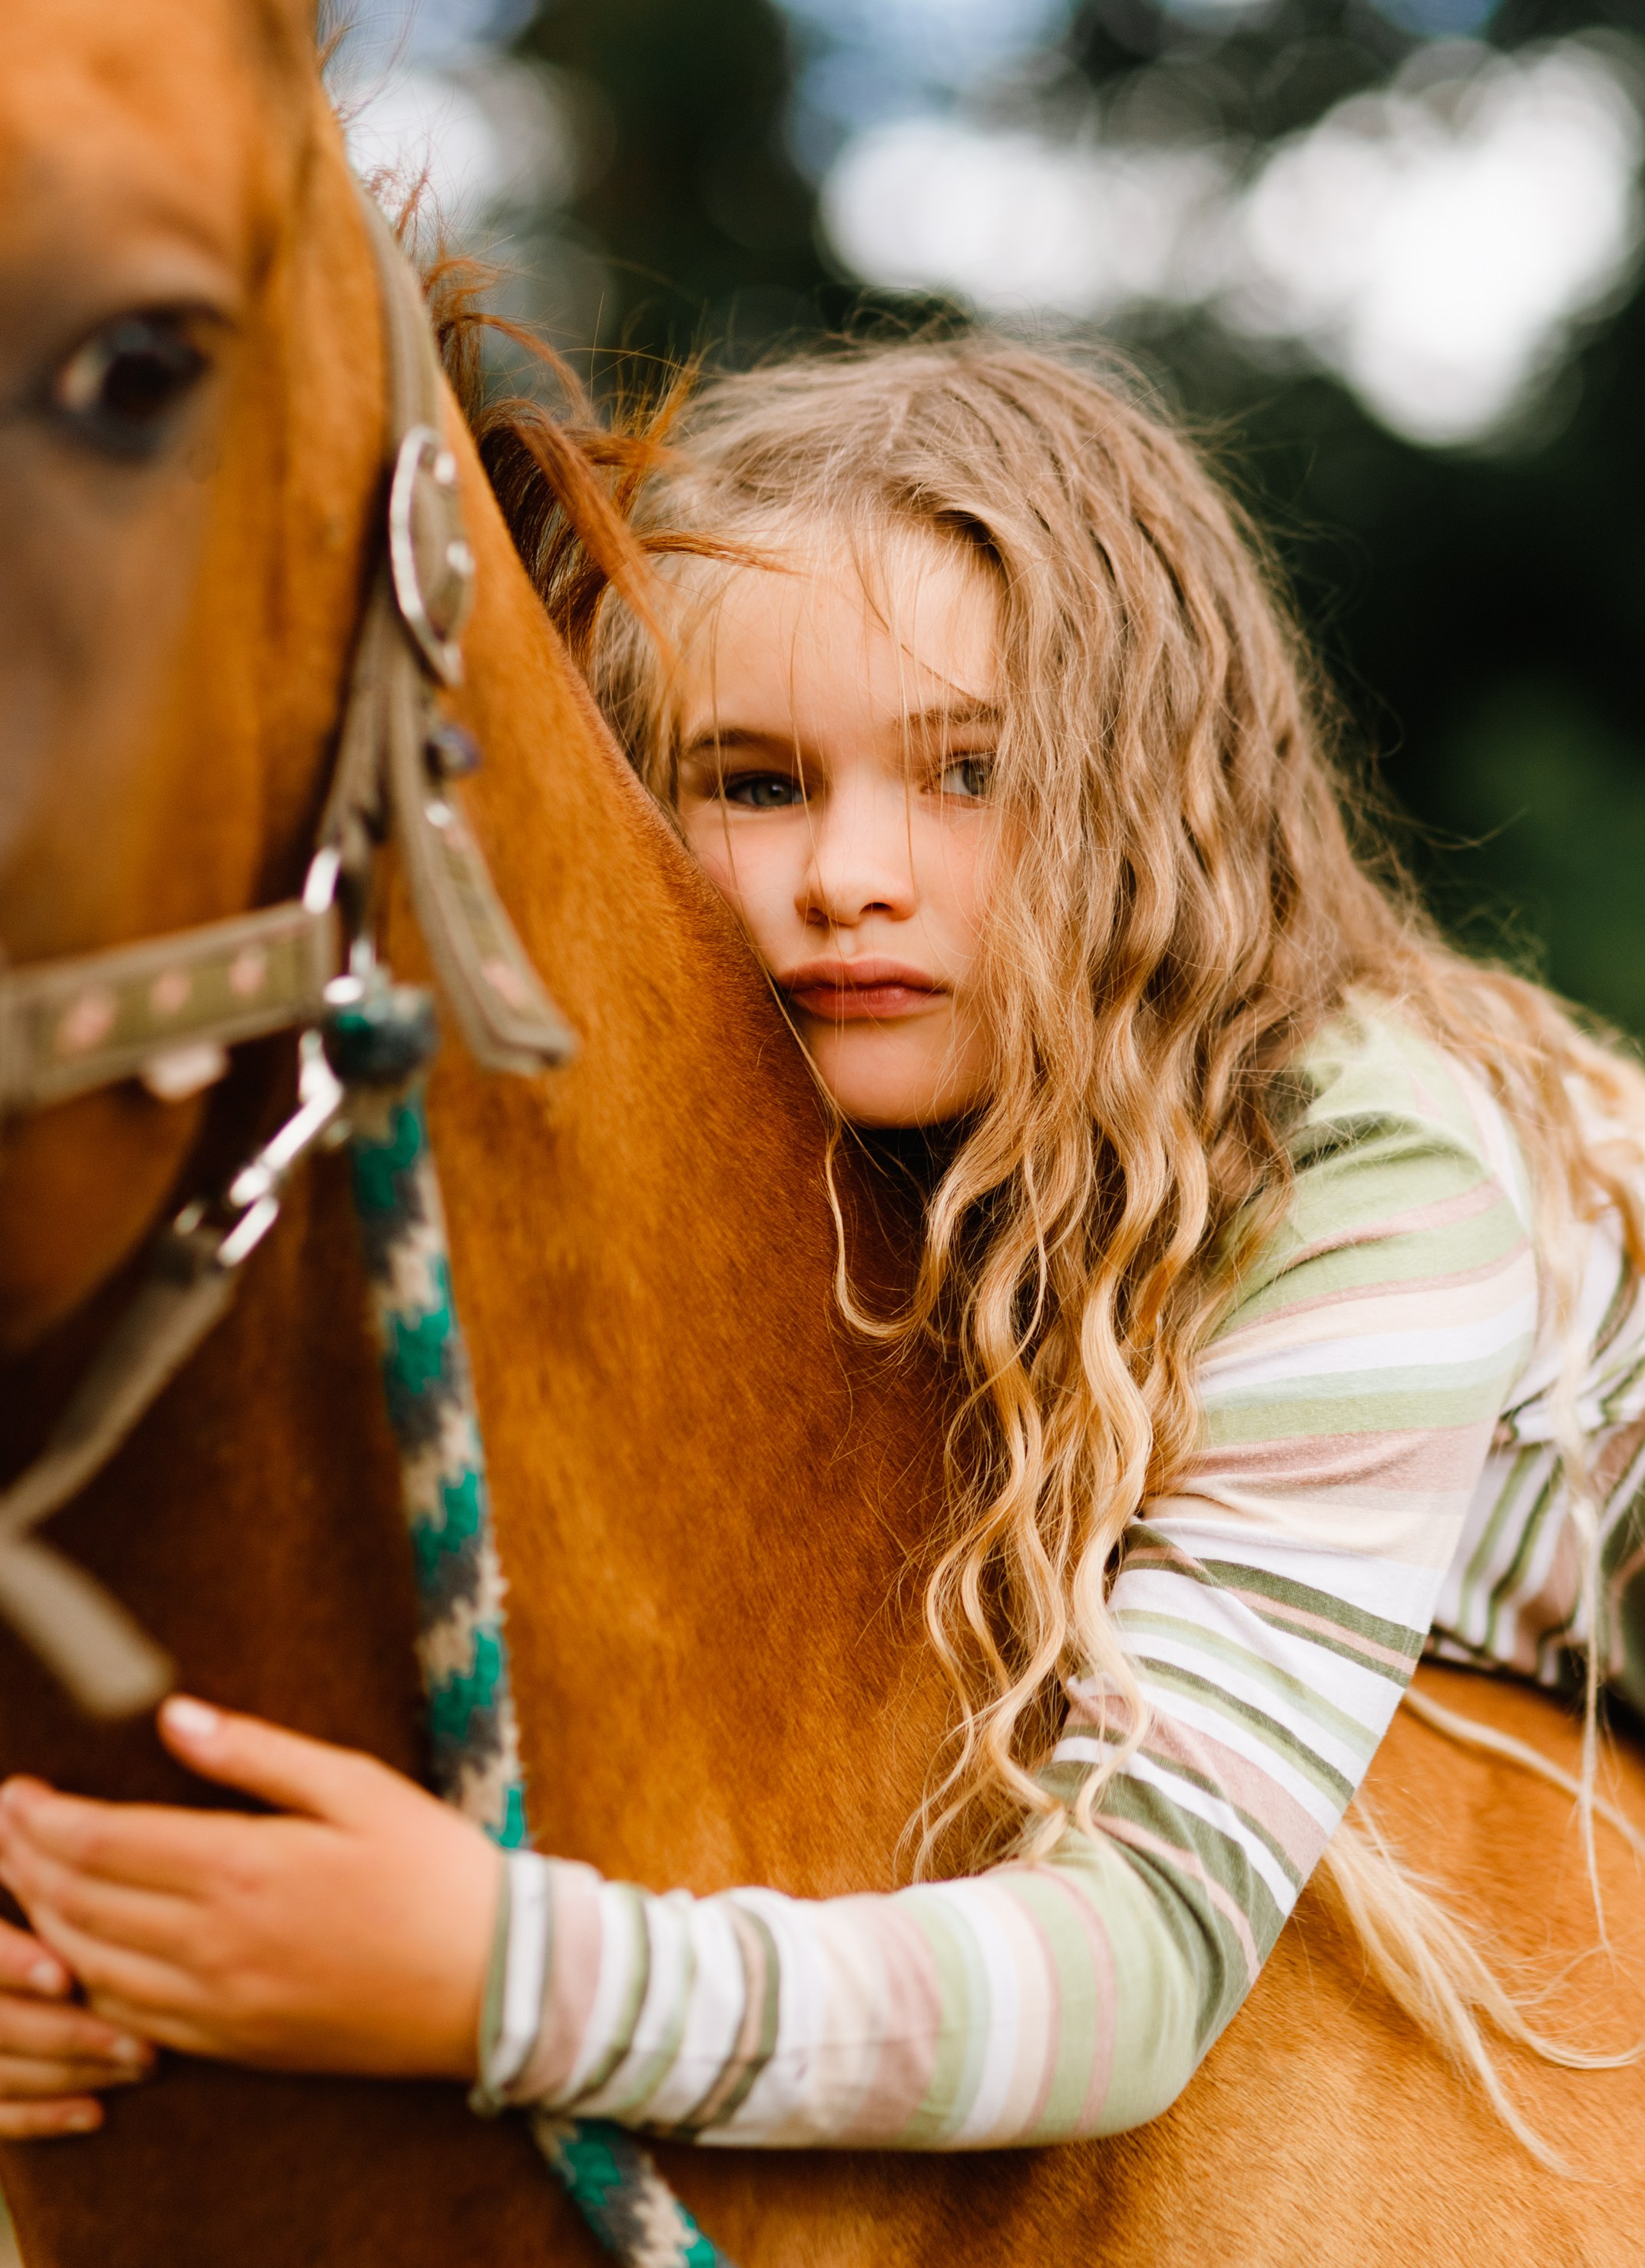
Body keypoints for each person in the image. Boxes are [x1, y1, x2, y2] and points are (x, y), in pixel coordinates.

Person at [2, 339, 1643, 2150]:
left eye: (970, 771)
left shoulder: (1357, 1185)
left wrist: (496, 1978)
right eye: (756, 783)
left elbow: (1141, 1970)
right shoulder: (780, 1101)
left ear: (1160, 808)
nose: (850, 872)